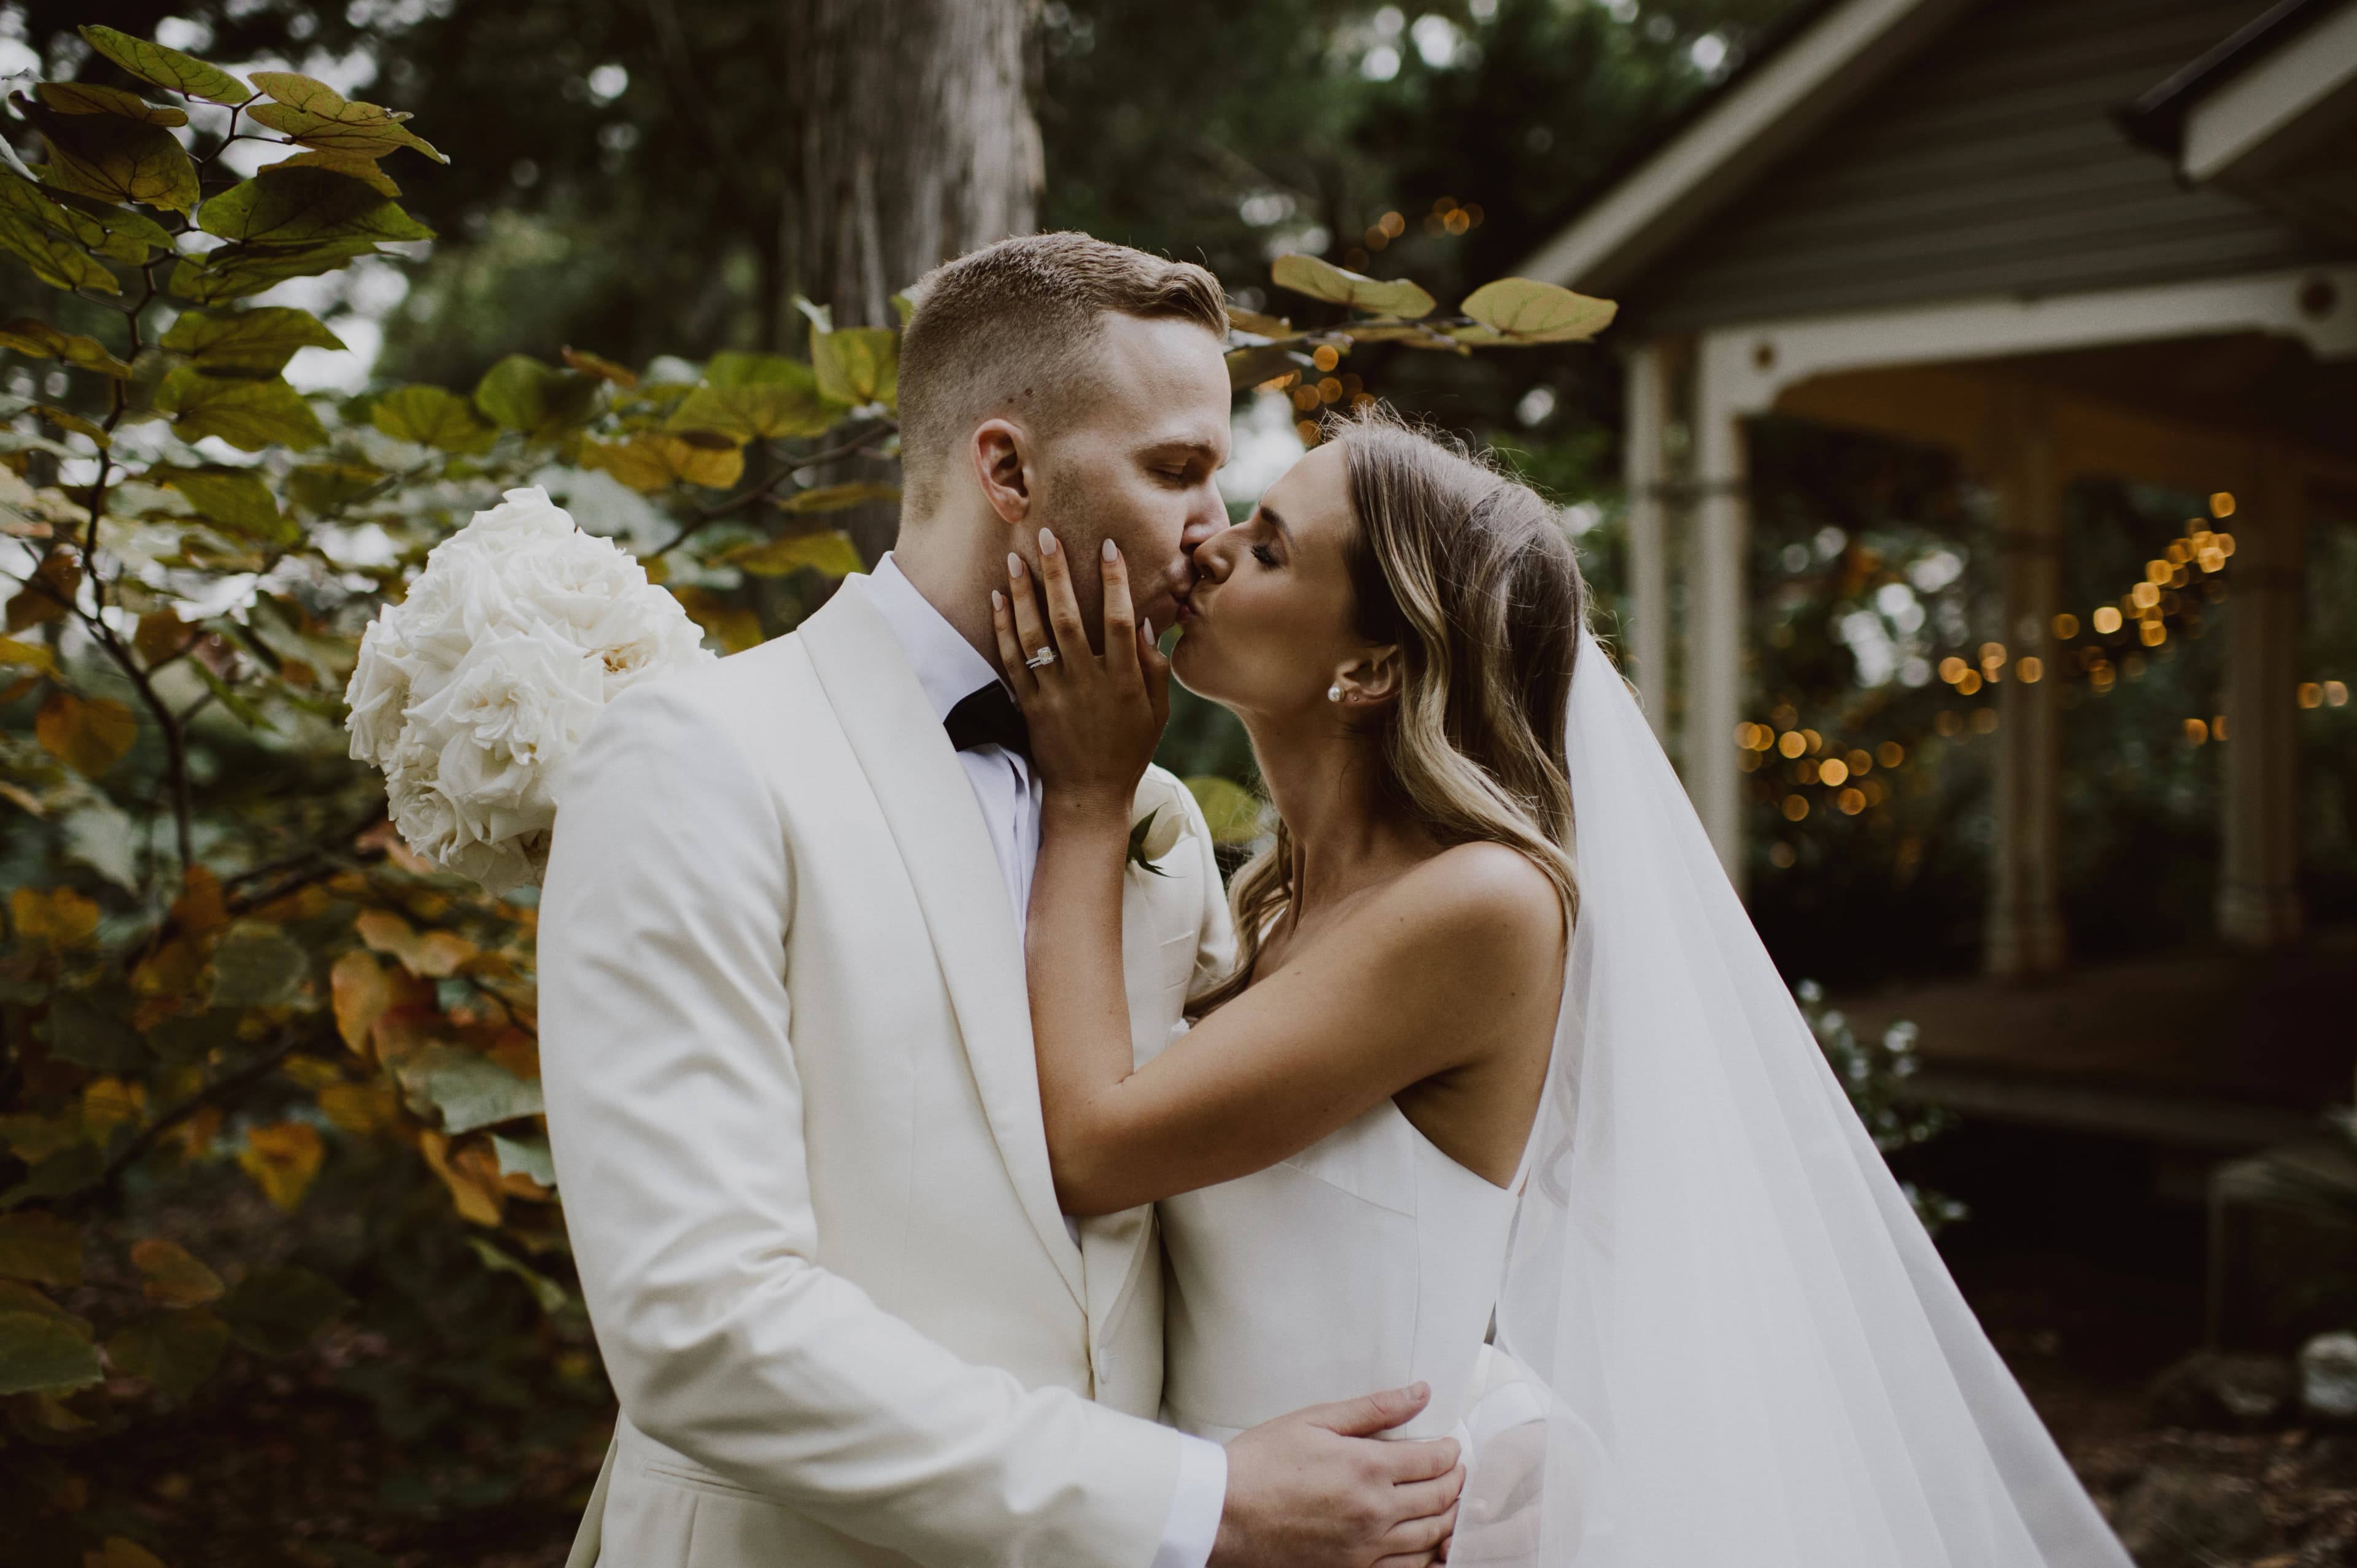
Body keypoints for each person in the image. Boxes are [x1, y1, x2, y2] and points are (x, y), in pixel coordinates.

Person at [996, 407, 2138, 1566]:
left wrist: (1091, 792)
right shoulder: (1283, 905)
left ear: (1373, 666)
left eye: (1273, 547)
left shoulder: (1479, 906)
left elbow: (1092, 1150)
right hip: (1225, 1516)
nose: (1210, 547)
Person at [537, 238, 1463, 1568]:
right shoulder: (699, 759)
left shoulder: (1157, 824)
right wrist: (1192, 1506)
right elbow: (704, 1328)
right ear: (1008, 470)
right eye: (1177, 470)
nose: (1213, 536)